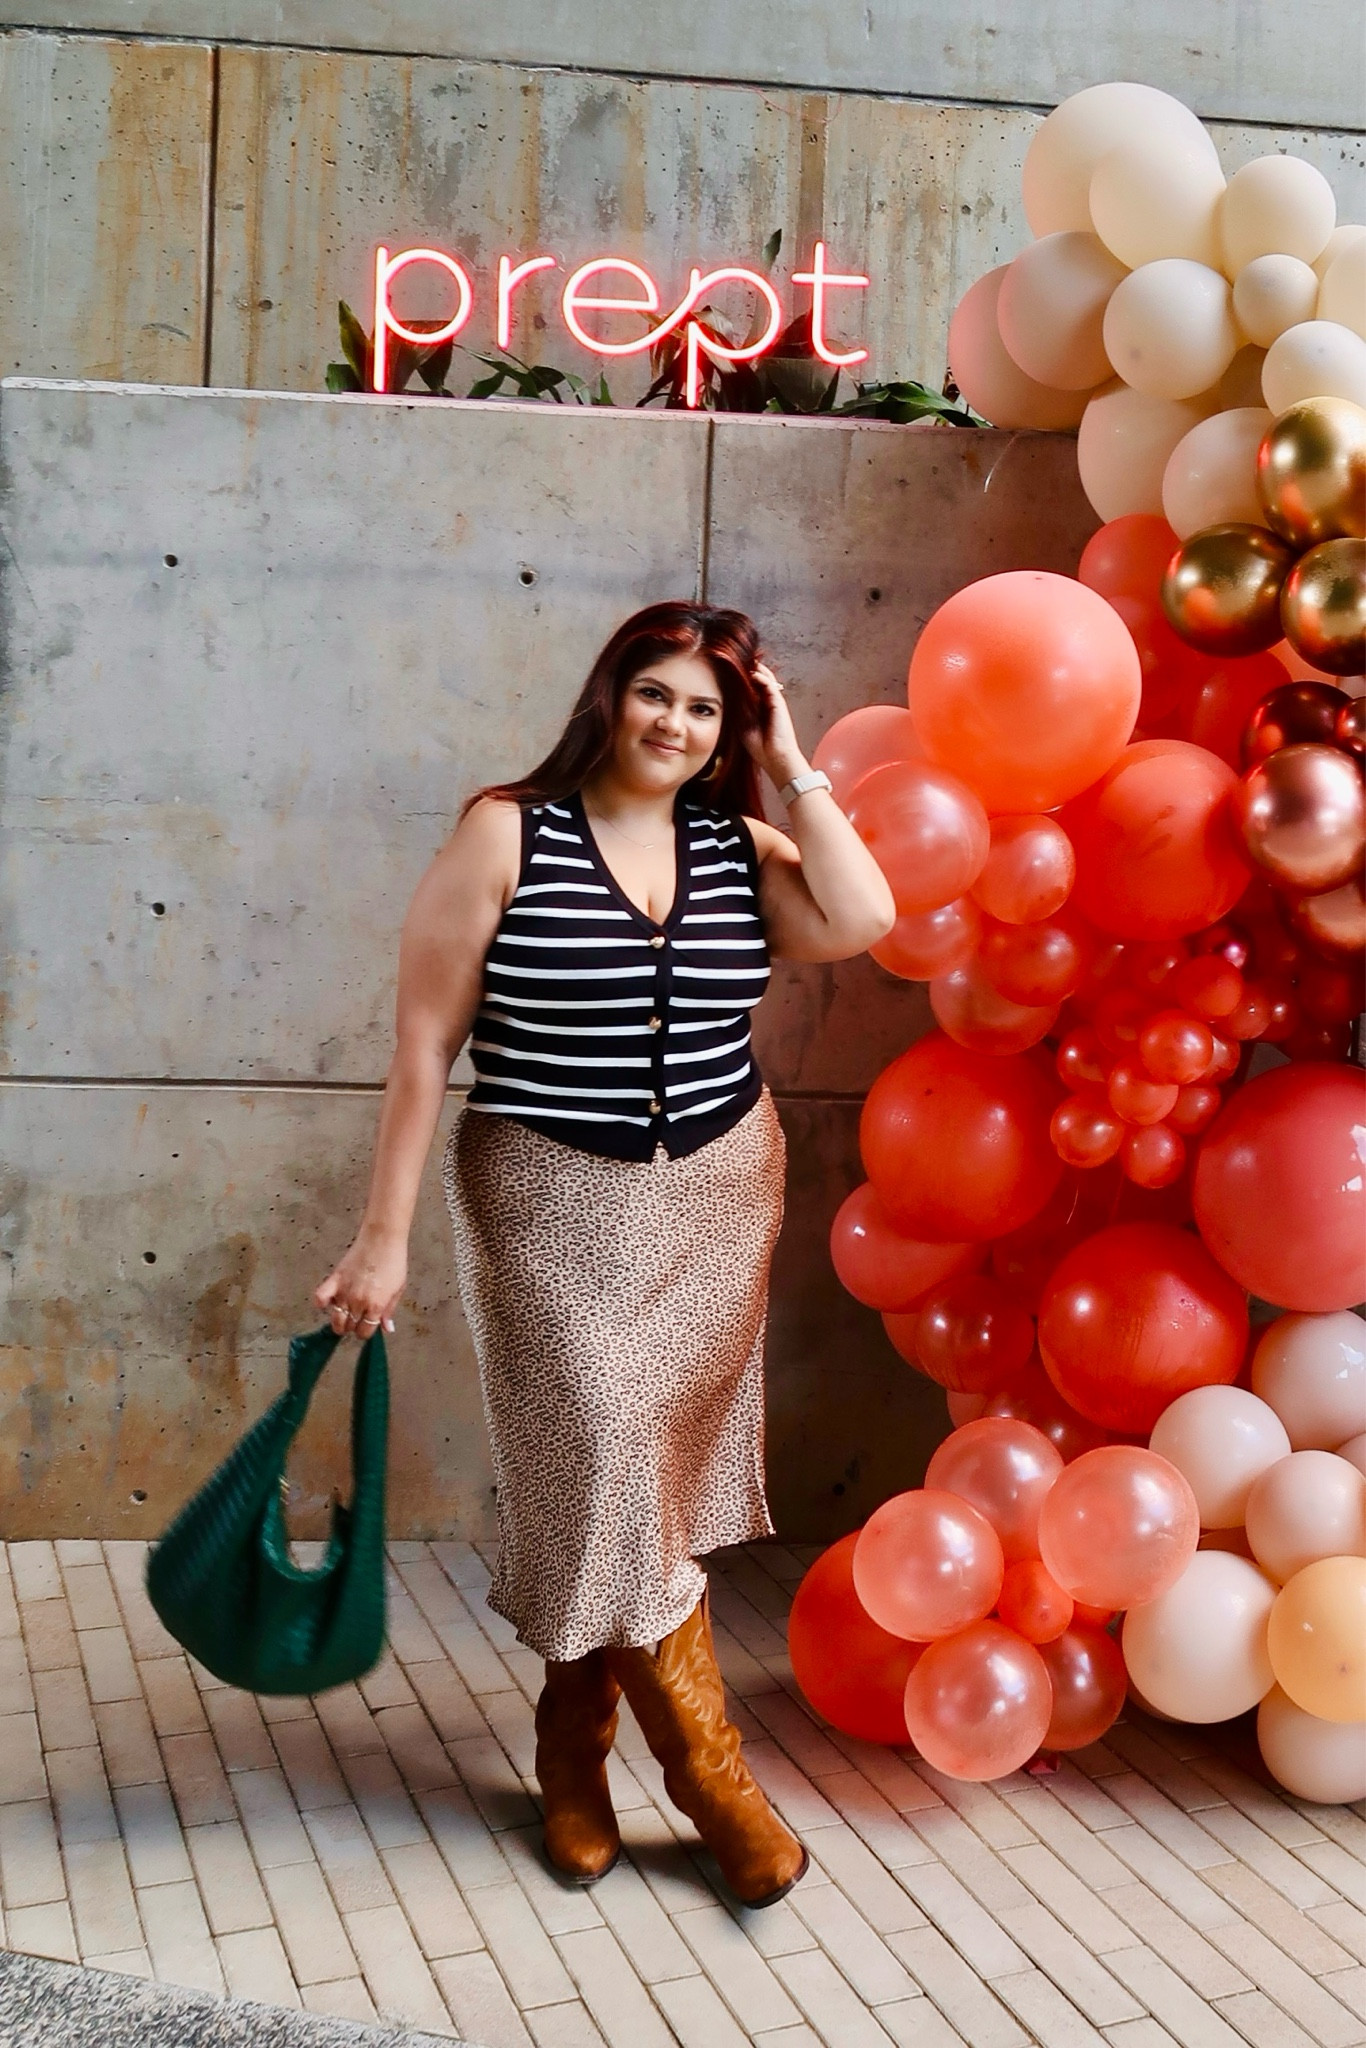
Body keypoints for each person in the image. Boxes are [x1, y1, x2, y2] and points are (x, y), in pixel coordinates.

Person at [316, 600, 895, 1906]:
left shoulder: (735, 843)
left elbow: (862, 917)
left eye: (706, 708)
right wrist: (383, 1237)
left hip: (715, 1196)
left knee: (631, 1491)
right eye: (657, 695)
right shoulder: (505, 832)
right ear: (608, 693)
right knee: (607, 1462)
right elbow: (422, 1051)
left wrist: (792, 753)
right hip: (545, 1201)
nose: (676, 725)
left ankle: (571, 1750)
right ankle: (713, 1783)